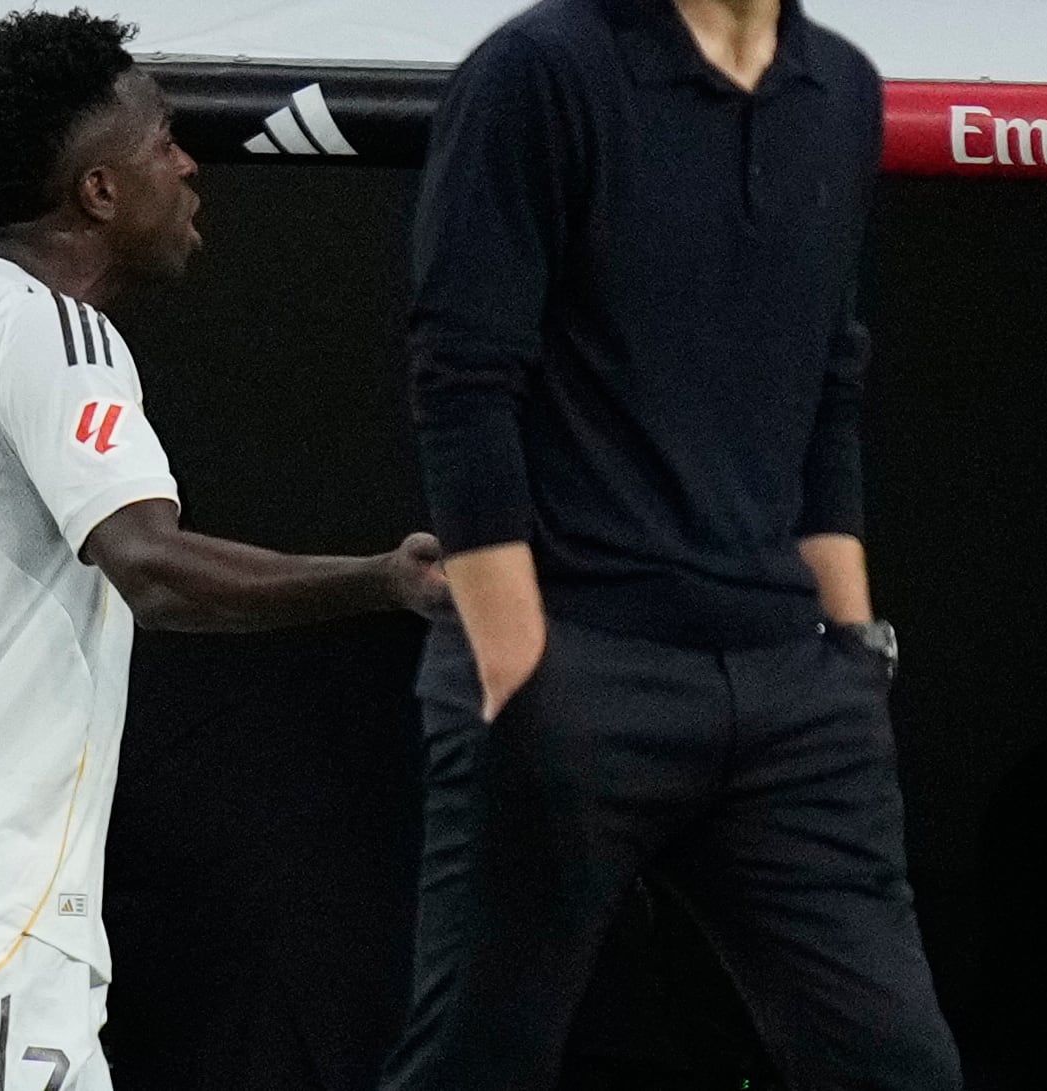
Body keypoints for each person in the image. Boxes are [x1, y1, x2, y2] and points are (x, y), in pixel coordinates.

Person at [0, 10, 446, 1091]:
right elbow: (150, 565)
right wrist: (385, 578)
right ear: (97, 192)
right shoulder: (56, 332)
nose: (188, 164)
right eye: (161, 141)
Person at [384, 1, 963, 1090]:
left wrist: (849, 647)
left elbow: (829, 380)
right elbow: (461, 380)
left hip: (791, 691)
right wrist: (522, 674)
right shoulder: (537, 73)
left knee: (896, 1066)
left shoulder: (838, 89)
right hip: (574, 663)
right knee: (474, 1063)